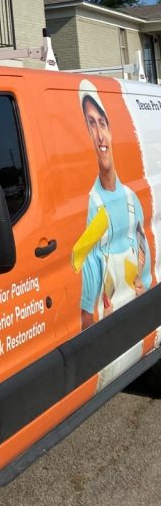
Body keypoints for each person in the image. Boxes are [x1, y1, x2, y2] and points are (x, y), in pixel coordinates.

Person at [71, 80, 151, 386]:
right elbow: (85, 304)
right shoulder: (91, 210)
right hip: (110, 352)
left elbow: (145, 270)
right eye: (90, 124)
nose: (99, 133)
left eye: (102, 122)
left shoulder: (132, 200)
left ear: (111, 130)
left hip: (140, 332)